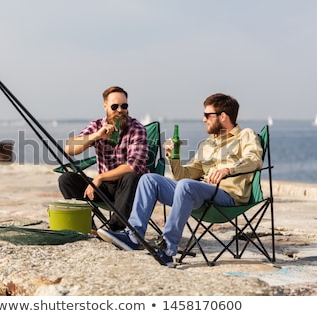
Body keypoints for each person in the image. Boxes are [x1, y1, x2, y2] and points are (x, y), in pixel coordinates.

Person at [97, 93, 263, 267]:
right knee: (149, 179)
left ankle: (168, 248)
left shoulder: (246, 135)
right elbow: (184, 176)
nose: (203, 119)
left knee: (185, 186)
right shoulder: (207, 144)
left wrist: (228, 169)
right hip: (201, 193)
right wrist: (173, 159)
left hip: (228, 196)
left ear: (223, 116)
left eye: (207, 115)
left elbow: (254, 159)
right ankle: (133, 236)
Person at [58, 86, 149, 231]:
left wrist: (99, 177)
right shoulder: (97, 125)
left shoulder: (136, 128)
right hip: (106, 187)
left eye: (124, 106)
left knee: (131, 177)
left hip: (128, 186)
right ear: (105, 106)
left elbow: (133, 166)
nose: (120, 110)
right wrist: (96, 136)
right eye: (115, 106)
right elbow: (69, 149)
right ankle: (86, 223)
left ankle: (115, 229)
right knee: (66, 179)